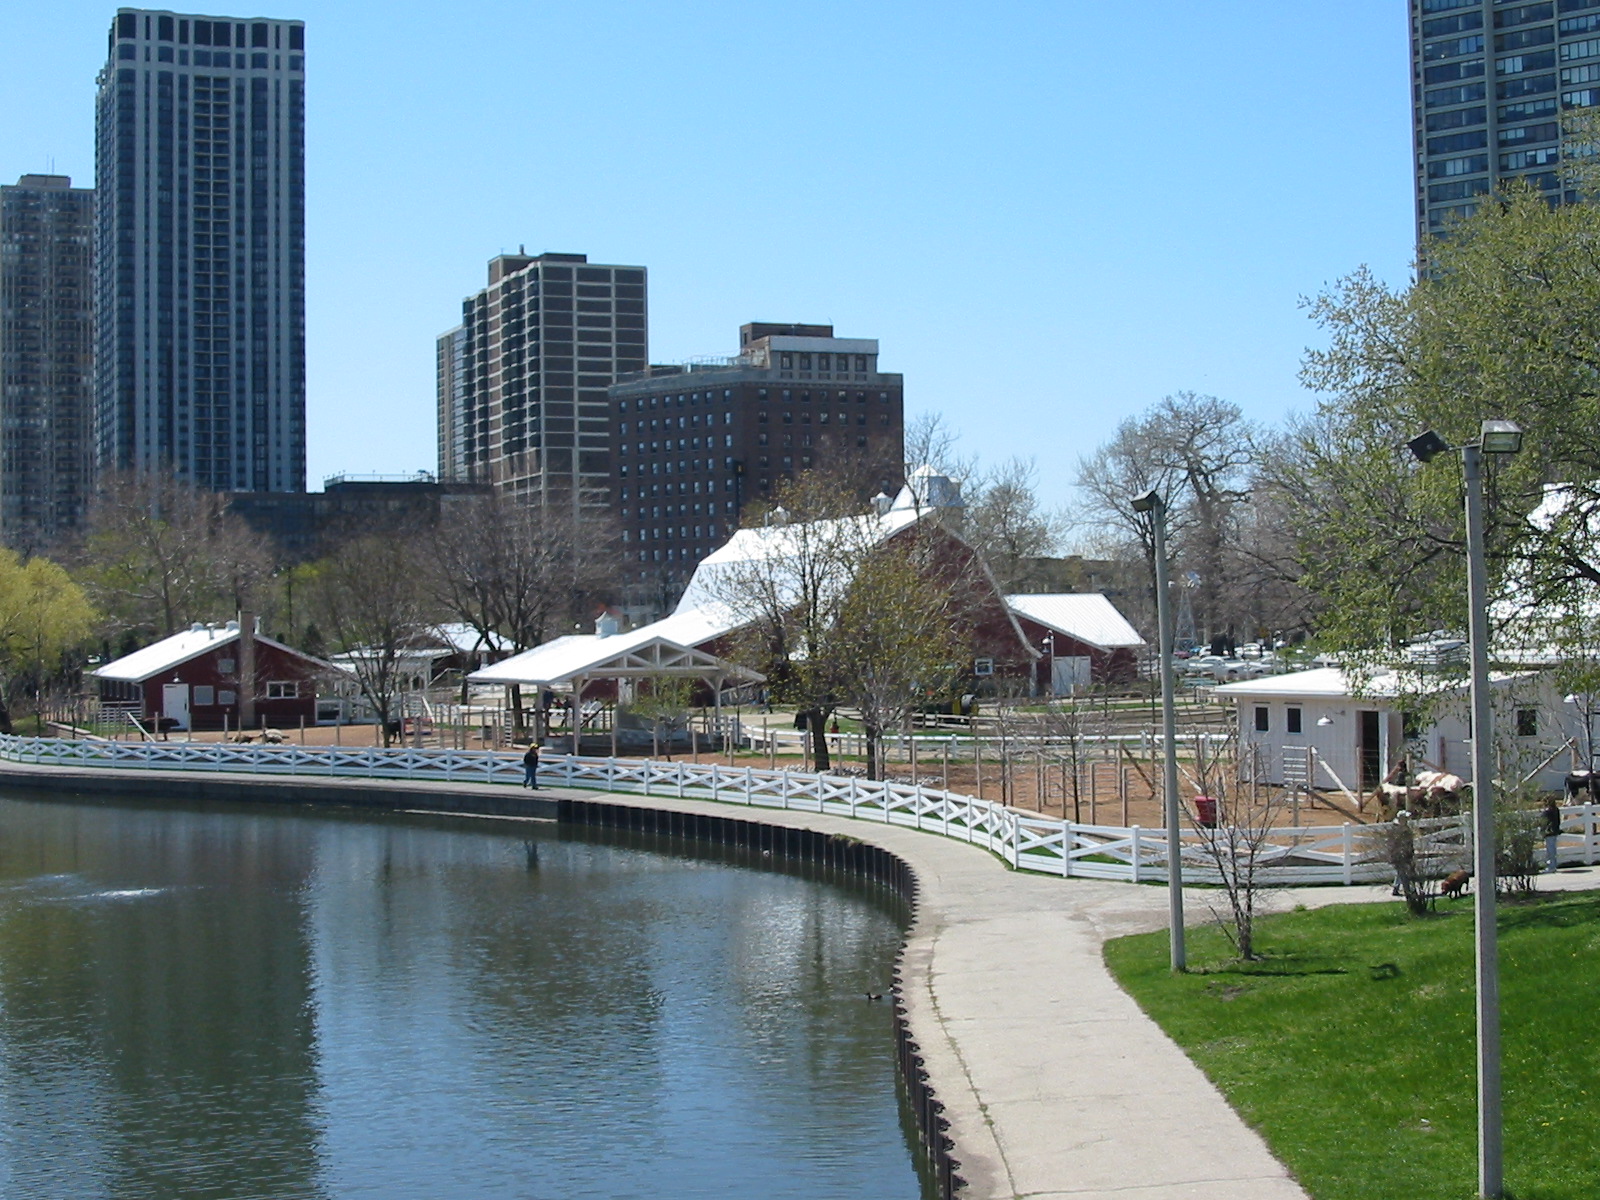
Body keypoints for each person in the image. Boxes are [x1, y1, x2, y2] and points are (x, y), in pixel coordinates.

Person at [1544, 797, 1562, 872]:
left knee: (1550, 850)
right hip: (1554, 831)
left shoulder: (1548, 811)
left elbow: (1544, 821)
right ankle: (1553, 865)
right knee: (1553, 849)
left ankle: (1551, 866)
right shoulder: (1556, 810)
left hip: (1549, 832)